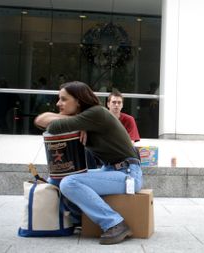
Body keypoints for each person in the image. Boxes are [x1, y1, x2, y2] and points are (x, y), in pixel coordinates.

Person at [34, 81, 143, 245]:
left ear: (78, 100)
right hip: (110, 170)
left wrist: (77, 121)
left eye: (64, 99)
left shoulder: (97, 113)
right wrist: (78, 122)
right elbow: (40, 120)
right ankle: (80, 220)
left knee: (70, 182)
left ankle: (115, 223)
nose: (58, 103)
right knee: (56, 179)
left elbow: (50, 124)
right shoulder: (88, 117)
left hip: (128, 174)